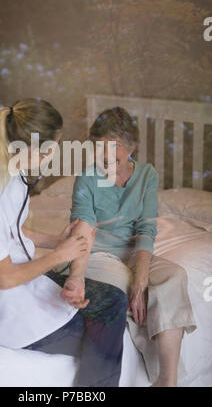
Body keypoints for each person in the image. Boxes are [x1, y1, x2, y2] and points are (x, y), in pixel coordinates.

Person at [0, 98, 128, 387]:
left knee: (113, 299)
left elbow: (14, 231)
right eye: (52, 147)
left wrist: (56, 242)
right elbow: (3, 279)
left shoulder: (11, 175)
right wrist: (59, 256)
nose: (53, 154)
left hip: (24, 281)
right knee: (102, 329)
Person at [65, 106, 197, 387]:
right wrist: (131, 283)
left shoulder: (147, 175)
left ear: (132, 146)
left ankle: (167, 381)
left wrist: (141, 278)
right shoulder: (88, 178)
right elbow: (82, 228)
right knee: (124, 288)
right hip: (97, 252)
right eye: (99, 148)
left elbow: (146, 228)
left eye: (114, 148)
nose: (105, 156)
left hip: (133, 252)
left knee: (174, 277)